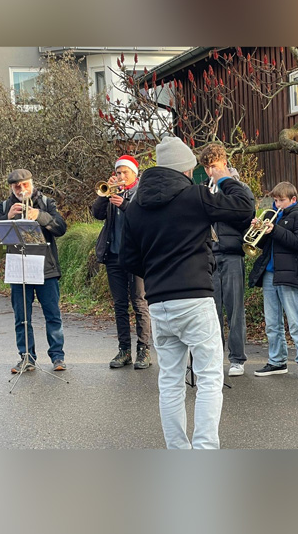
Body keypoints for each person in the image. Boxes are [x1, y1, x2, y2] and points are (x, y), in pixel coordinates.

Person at [120, 136, 255, 449]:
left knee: (170, 382)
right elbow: (244, 207)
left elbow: (128, 259)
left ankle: (178, 452)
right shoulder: (195, 196)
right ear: (184, 169)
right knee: (209, 379)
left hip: (158, 303)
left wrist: (157, 273)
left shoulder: (135, 207)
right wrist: (224, 177)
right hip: (195, 299)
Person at [0, 169, 68, 373]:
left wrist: (39, 215)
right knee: (22, 317)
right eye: (17, 186)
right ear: (11, 188)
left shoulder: (46, 202)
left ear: (32, 183)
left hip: (46, 268)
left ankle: (57, 357)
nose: (21, 189)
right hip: (19, 269)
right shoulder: (5, 206)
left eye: (25, 185)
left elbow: (61, 228)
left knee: (52, 315)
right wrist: (7, 216)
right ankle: (26, 357)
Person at [248, 182, 298, 380]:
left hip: (289, 274)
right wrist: (259, 230)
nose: (277, 204)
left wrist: (275, 230)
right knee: (272, 323)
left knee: (295, 321)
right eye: (275, 200)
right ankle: (277, 361)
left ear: (293, 199)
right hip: (270, 274)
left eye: (281, 200)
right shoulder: (272, 215)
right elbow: (265, 245)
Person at [197, 143, 254, 377]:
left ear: (224, 163)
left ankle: (238, 358)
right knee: (212, 311)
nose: (210, 171)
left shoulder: (240, 188)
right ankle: (216, 357)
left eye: (214, 166)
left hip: (231, 252)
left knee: (235, 308)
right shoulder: (203, 188)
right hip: (210, 254)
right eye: (207, 168)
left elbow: (247, 216)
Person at [92, 155, 153, 370]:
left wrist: (125, 205)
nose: (121, 176)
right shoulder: (112, 192)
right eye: (118, 172)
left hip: (135, 256)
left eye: (125, 172)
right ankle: (124, 350)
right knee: (119, 304)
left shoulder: (142, 191)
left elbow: (146, 219)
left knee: (139, 302)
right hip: (113, 255)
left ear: (134, 173)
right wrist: (104, 195)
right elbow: (97, 214)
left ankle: (143, 349)